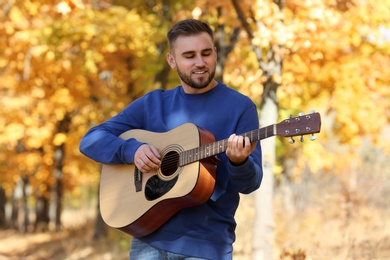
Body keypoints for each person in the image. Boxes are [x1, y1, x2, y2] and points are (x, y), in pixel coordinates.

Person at [80, 18, 263, 259]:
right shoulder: (153, 104)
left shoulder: (241, 107)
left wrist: (239, 162)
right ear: (172, 61)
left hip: (207, 246)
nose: (200, 63)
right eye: (189, 56)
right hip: (147, 238)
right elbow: (91, 140)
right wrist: (131, 150)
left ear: (215, 54)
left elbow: (250, 184)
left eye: (206, 53)